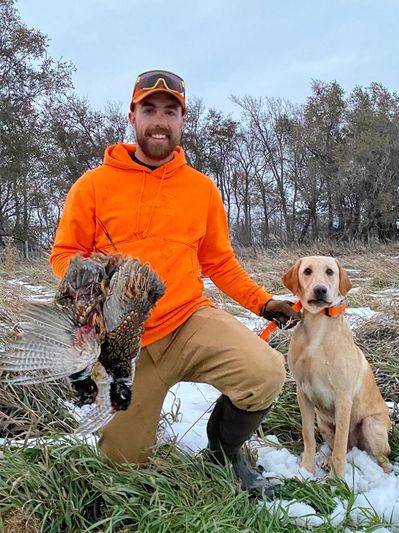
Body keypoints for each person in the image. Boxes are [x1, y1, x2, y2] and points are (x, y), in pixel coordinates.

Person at [50, 69, 300, 495]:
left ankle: (224, 453)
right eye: (150, 109)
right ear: (133, 116)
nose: (160, 120)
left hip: (189, 320)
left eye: (171, 111)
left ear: (183, 120)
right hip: (126, 343)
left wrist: (262, 303)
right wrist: (96, 283)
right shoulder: (92, 186)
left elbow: (219, 262)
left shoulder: (201, 189)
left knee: (266, 371)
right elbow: (62, 255)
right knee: (121, 468)